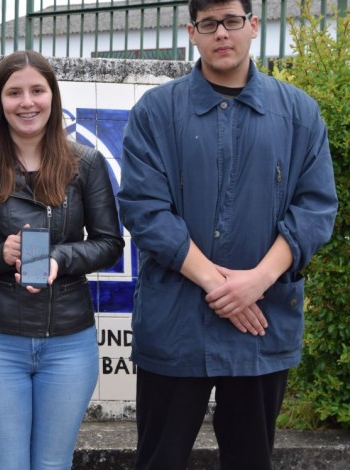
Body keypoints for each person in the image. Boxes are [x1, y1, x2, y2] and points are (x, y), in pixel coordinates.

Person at [117, 0, 338, 468]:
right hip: (176, 326)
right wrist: (224, 288)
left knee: (251, 459)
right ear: (191, 32)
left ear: (253, 26)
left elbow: (315, 208)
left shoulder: (299, 113)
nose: (222, 33)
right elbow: (144, 209)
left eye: (232, 21)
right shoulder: (156, 112)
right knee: (160, 459)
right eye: (209, 23)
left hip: (263, 325)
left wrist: (257, 281)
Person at [0, 50, 124, 470]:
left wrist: (59, 258)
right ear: (0, 101)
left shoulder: (85, 163)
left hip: (69, 341)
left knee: (52, 465)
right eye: (14, 92)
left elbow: (109, 243)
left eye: (37, 90)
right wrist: (0, 253)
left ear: (53, 96)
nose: (27, 102)